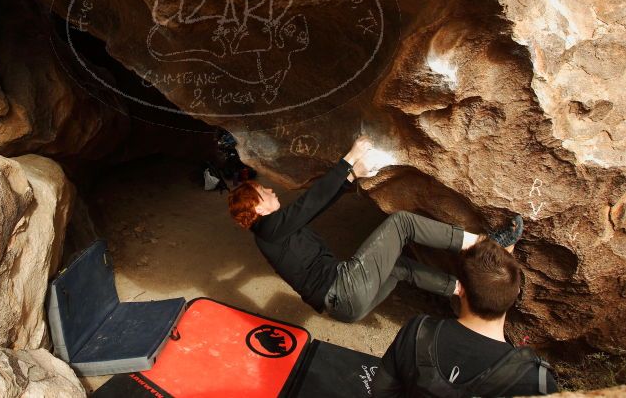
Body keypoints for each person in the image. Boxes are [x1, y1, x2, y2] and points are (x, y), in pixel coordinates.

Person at [227, 135, 494, 323]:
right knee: (402, 223)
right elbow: (311, 201)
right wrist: (348, 159)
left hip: (346, 308)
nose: (270, 189)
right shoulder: (269, 230)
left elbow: (316, 207)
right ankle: (478, 243)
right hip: (343, 290)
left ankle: (460, 291)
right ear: (258, 209)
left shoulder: (275, 230)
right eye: (263, 190)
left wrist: (351, 177)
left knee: (398, 267)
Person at [371, 237, 558, 397]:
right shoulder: (537, 383)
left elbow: (380, 392)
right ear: (517, 293)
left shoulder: (416, 332)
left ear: (459, 289)